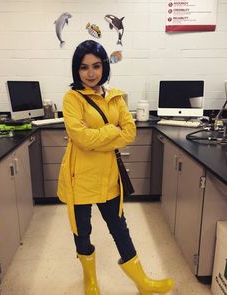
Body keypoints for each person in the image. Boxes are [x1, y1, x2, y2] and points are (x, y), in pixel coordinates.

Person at [57, 40, 175, 295]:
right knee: (82, 231)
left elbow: (130, 132)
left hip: (108, 177)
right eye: (84, 67)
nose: (90, 73)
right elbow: (81, 138)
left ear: (104, 66)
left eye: (96, 66)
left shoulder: (116, 96)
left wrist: (97, 137)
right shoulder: (71, 98)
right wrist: (112, 131)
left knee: (120, 228)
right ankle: (90, 281)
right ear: (76, 70)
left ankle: (142, 283)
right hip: (80, 178)